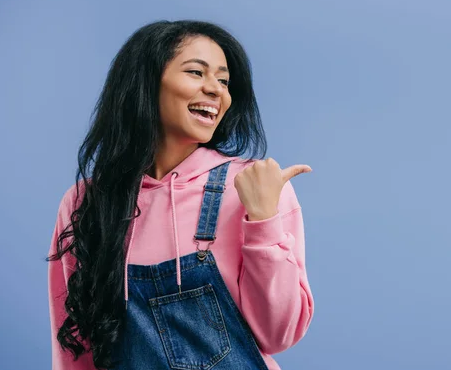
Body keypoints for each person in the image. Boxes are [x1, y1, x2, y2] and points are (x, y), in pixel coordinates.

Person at [47, 20, 314, 370]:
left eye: (223, 80)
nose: (216, 90)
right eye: (196, 72)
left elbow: (279, 333)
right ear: (145, 83)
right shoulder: (87, 203)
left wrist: (263, 221)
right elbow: (75, 348)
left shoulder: (253, 186)